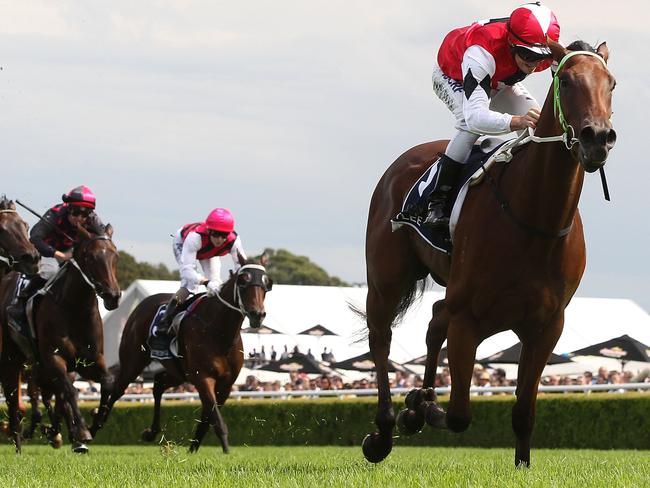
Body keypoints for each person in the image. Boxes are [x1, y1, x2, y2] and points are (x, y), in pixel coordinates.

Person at [423, 2, 560, 228]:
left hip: (499, 80)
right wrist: (516, 121)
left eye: (541, 56)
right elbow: (476, 117)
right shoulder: (481, 51)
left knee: (539, 122)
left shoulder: (548, 48)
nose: (534, 63)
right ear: (511, 43)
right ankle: (436, 203)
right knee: (469, 128)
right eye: (527, 54)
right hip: (454, 75)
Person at [7, 185, 105, 328]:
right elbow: (34, 237)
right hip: (49, 251)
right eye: (76, 212)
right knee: (50, 271)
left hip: (73, 252)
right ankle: (20, 304)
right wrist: (58, 254)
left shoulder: (93, 219)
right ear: (69, 208)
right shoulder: (56, 214)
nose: (80, 218)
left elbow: (102, 241)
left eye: (85, 214)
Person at [151, 208, 247, 342]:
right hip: (183, 243)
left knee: (217, 284)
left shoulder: (234, 240)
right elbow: (187, 271)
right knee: (190, 284)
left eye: (223, 235)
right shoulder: (194, 237)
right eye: (216, 234)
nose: (219, 239)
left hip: (209, 252)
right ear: (209, 231)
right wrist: (206, 282)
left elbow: (241, 268)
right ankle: (165, 320)